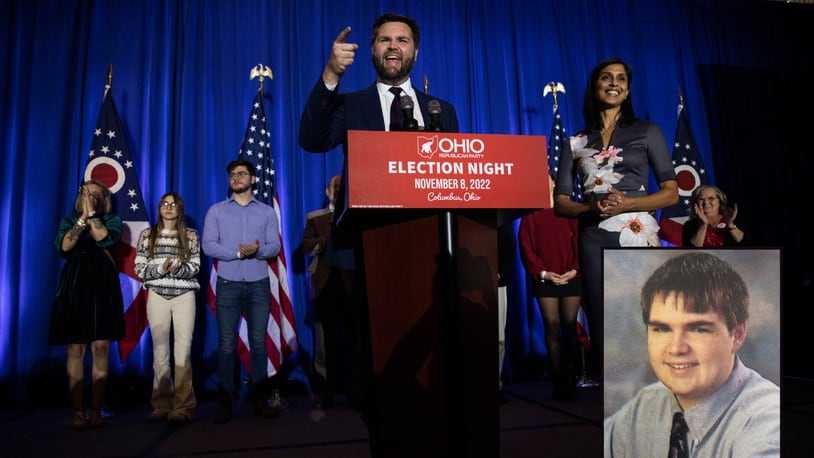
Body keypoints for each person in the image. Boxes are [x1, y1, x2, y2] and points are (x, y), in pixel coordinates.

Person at [298, 12, 460, 450]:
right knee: (373, 352)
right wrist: (331, 73)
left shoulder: (440, 110)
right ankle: (384, 434)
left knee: (433, 348)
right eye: (385, 40)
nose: (393, 47)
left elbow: (455, 179)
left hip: (428, 246)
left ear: (415, 50)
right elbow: (311, 139)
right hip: (367, 250)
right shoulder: (352, 105)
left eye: (402, 40)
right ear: (372, 50)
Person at [553, 58, 678, 381]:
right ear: (595, 87)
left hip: (636, 231)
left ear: (627, 90)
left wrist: (628, 205)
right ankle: (613, 385)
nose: (614, 83)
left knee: (645, 307)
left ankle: (657, 378)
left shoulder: (647, 131)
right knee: (601, 311)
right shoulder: (575, 142)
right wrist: (593, 210)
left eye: (621, 79)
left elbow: (671, 194)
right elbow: (562, 204)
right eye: (607, 77)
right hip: (594, 236)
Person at [604, 252, 780, 457]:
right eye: (661, 329)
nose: (676, 348)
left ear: (737, 334)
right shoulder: (644, 406)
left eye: (698, 329)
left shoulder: (768, 423)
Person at [202, 159, 281, 423]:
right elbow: (209, 245)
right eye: (232, 174)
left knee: (258, 343)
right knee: (226, 345)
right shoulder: (216, 211)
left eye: (241, 174)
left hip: (258, 283)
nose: (236, 178)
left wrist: (259, 250)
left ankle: (260, 398)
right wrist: (236, 253)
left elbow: (274, 247)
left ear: (253, 179)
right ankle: (226, 401)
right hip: (228, 284)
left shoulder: (267, 212)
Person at [48, 180, 125, 430]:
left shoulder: (113, 220)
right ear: (79, 197)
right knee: (75, 349)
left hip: (102, 286)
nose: (91, 196)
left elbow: (104, 239)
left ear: (104, 198)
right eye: (86, 193)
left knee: (101, 347)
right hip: (74, 286)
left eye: (96, 194)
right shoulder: (68, 222)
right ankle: (77, 409)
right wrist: (82, 219)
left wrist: (92, 215)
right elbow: (65, 245)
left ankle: (95, 407)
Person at [134, 192, 200, 426]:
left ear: (179, 209)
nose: (169, 207)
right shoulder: (147, 235)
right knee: (160, 354)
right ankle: (161, 404)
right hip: (157, 296)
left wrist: (178, 269)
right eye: (165, 204)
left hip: (184, 297)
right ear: (160, 207)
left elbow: (195, 266)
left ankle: (183, 406)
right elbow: (140, 268)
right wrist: (161, 269)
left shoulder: (190, 235)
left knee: (182, 353)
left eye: (173, 204)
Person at [518, 172, 582, 402]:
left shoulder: (568, 212)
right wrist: (544, 274)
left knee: (568, 326)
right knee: (552, 326)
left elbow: (580, 243)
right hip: (546, 280)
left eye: (546, 178)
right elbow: (526, 248)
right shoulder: (530, 215)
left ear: (555, 182)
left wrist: (574, 270)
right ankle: (559, 380)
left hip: (571, 278)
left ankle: (573, 376)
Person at [302, 174, 354, 409]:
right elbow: (306, 248)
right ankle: (324, 388)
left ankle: (354, 387)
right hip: (323, 284)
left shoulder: (354, 214)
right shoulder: (315, 217)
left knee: (353, 337)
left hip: (349, 284)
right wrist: (325, 239)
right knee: (322, 341)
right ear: (327, 191)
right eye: (335, 186)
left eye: (342, 186)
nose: (338, 189)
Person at [497, 221, 516, 403]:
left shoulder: (501, 215)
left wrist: (501, 272)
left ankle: (497, 384)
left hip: (497, 279)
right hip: (466, 275)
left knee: (499, 339)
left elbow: (508, 241)